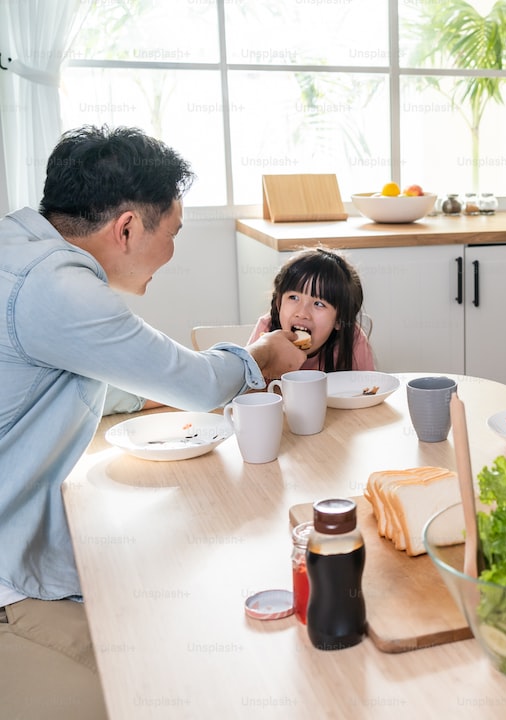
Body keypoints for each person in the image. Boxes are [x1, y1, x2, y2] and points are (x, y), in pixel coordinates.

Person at [0, 125, 305, 717]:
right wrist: (262, 356)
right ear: (128, 228)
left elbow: (69, 376)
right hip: (7, 580)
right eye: (174, 233)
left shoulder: (19, 245)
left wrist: (145, 398)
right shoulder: (56, 288)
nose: (173, 253)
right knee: (163, 684)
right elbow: (197, 383)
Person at [247, 247, 376, 372]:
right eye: (294, 297)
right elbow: (244, 386)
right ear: (278, 303)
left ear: (340, 319)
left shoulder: (352, 340)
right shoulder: (266, 332)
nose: (302, 313)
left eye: (319, 304)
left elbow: (366, 391)